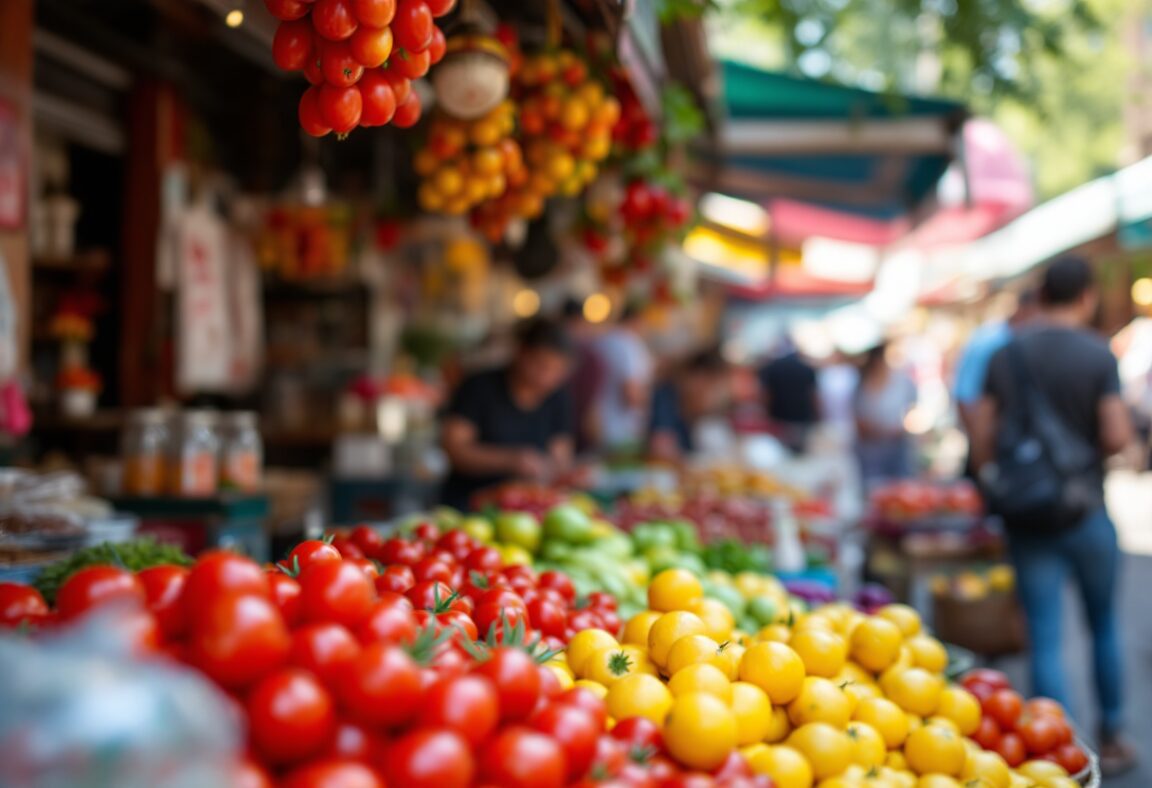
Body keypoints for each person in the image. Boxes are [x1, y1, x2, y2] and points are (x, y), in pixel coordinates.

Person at [970, 256, 1135, 775]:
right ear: (1086, 295)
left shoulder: (1006, 354)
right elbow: (1115, 436)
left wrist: (1005, 477)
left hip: (1028, 517)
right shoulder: (1097, 354)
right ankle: (1111, 735)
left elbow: (982, 440)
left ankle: (1058, 752)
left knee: (1045, 635)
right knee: (1103, 625)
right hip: (1085, 509)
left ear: (1039, 296)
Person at [440, 318, 575, 511]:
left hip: (527, 510)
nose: (548, 378)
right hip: (469, 504)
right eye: (542, 366)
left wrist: (564, 473)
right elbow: (455, 448)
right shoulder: (478, 387)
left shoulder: (558, 397)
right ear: (521, 353)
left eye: (558, 371)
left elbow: (560, 454)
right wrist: (511, 460)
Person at [954, 289, 1039, 458]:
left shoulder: (1022, 342)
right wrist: (982, 452)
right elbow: (965, 396)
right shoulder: (990, 341)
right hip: (993, 446)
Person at [648, 349, 731, 463]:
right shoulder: (665, 396)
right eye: (713, 387)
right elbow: (661, 449)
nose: (715, 396)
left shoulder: (697, 412)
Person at [593, 304, 653, 453]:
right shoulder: (627, 343)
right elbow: (630, 392)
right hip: (621, 432)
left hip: (598, 425)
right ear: (638, 319)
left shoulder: (603, 339)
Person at [854, 343, 917, 483]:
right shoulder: (862, 384)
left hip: (898, 446)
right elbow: (859, 420)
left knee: (901, 484)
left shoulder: (902, 381)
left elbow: (913, 411)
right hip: (871, 450)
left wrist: (903, 428)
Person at [759, 337, 820, 452]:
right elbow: (814, 396)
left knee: (779, 452)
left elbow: (766, 395)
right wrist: (818, 416)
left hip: (779, 417)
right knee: (801, 453)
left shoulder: (772, 368)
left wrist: (766, 414)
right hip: (802, 417)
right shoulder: (807, 369)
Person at [562, 298, 605, 453]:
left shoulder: (589, 358)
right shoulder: (589, 357)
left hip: (573, 438)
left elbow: (591, 405)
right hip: (564, 436)